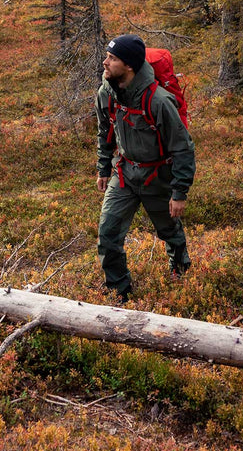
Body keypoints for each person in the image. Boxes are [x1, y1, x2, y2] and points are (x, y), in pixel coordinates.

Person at [95, 35, 195, 302]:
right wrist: (103, 168)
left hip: (157, 176)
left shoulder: (158, 101)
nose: (105, 62)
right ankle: (119, 291)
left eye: (112, 58)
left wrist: (179, 192)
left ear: (129, 66)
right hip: (124, 174)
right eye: (107, 56)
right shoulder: (106, 93)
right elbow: (105, 131)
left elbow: (183, 148)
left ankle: (181, 269)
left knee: (169, 230)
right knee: (108, 233)